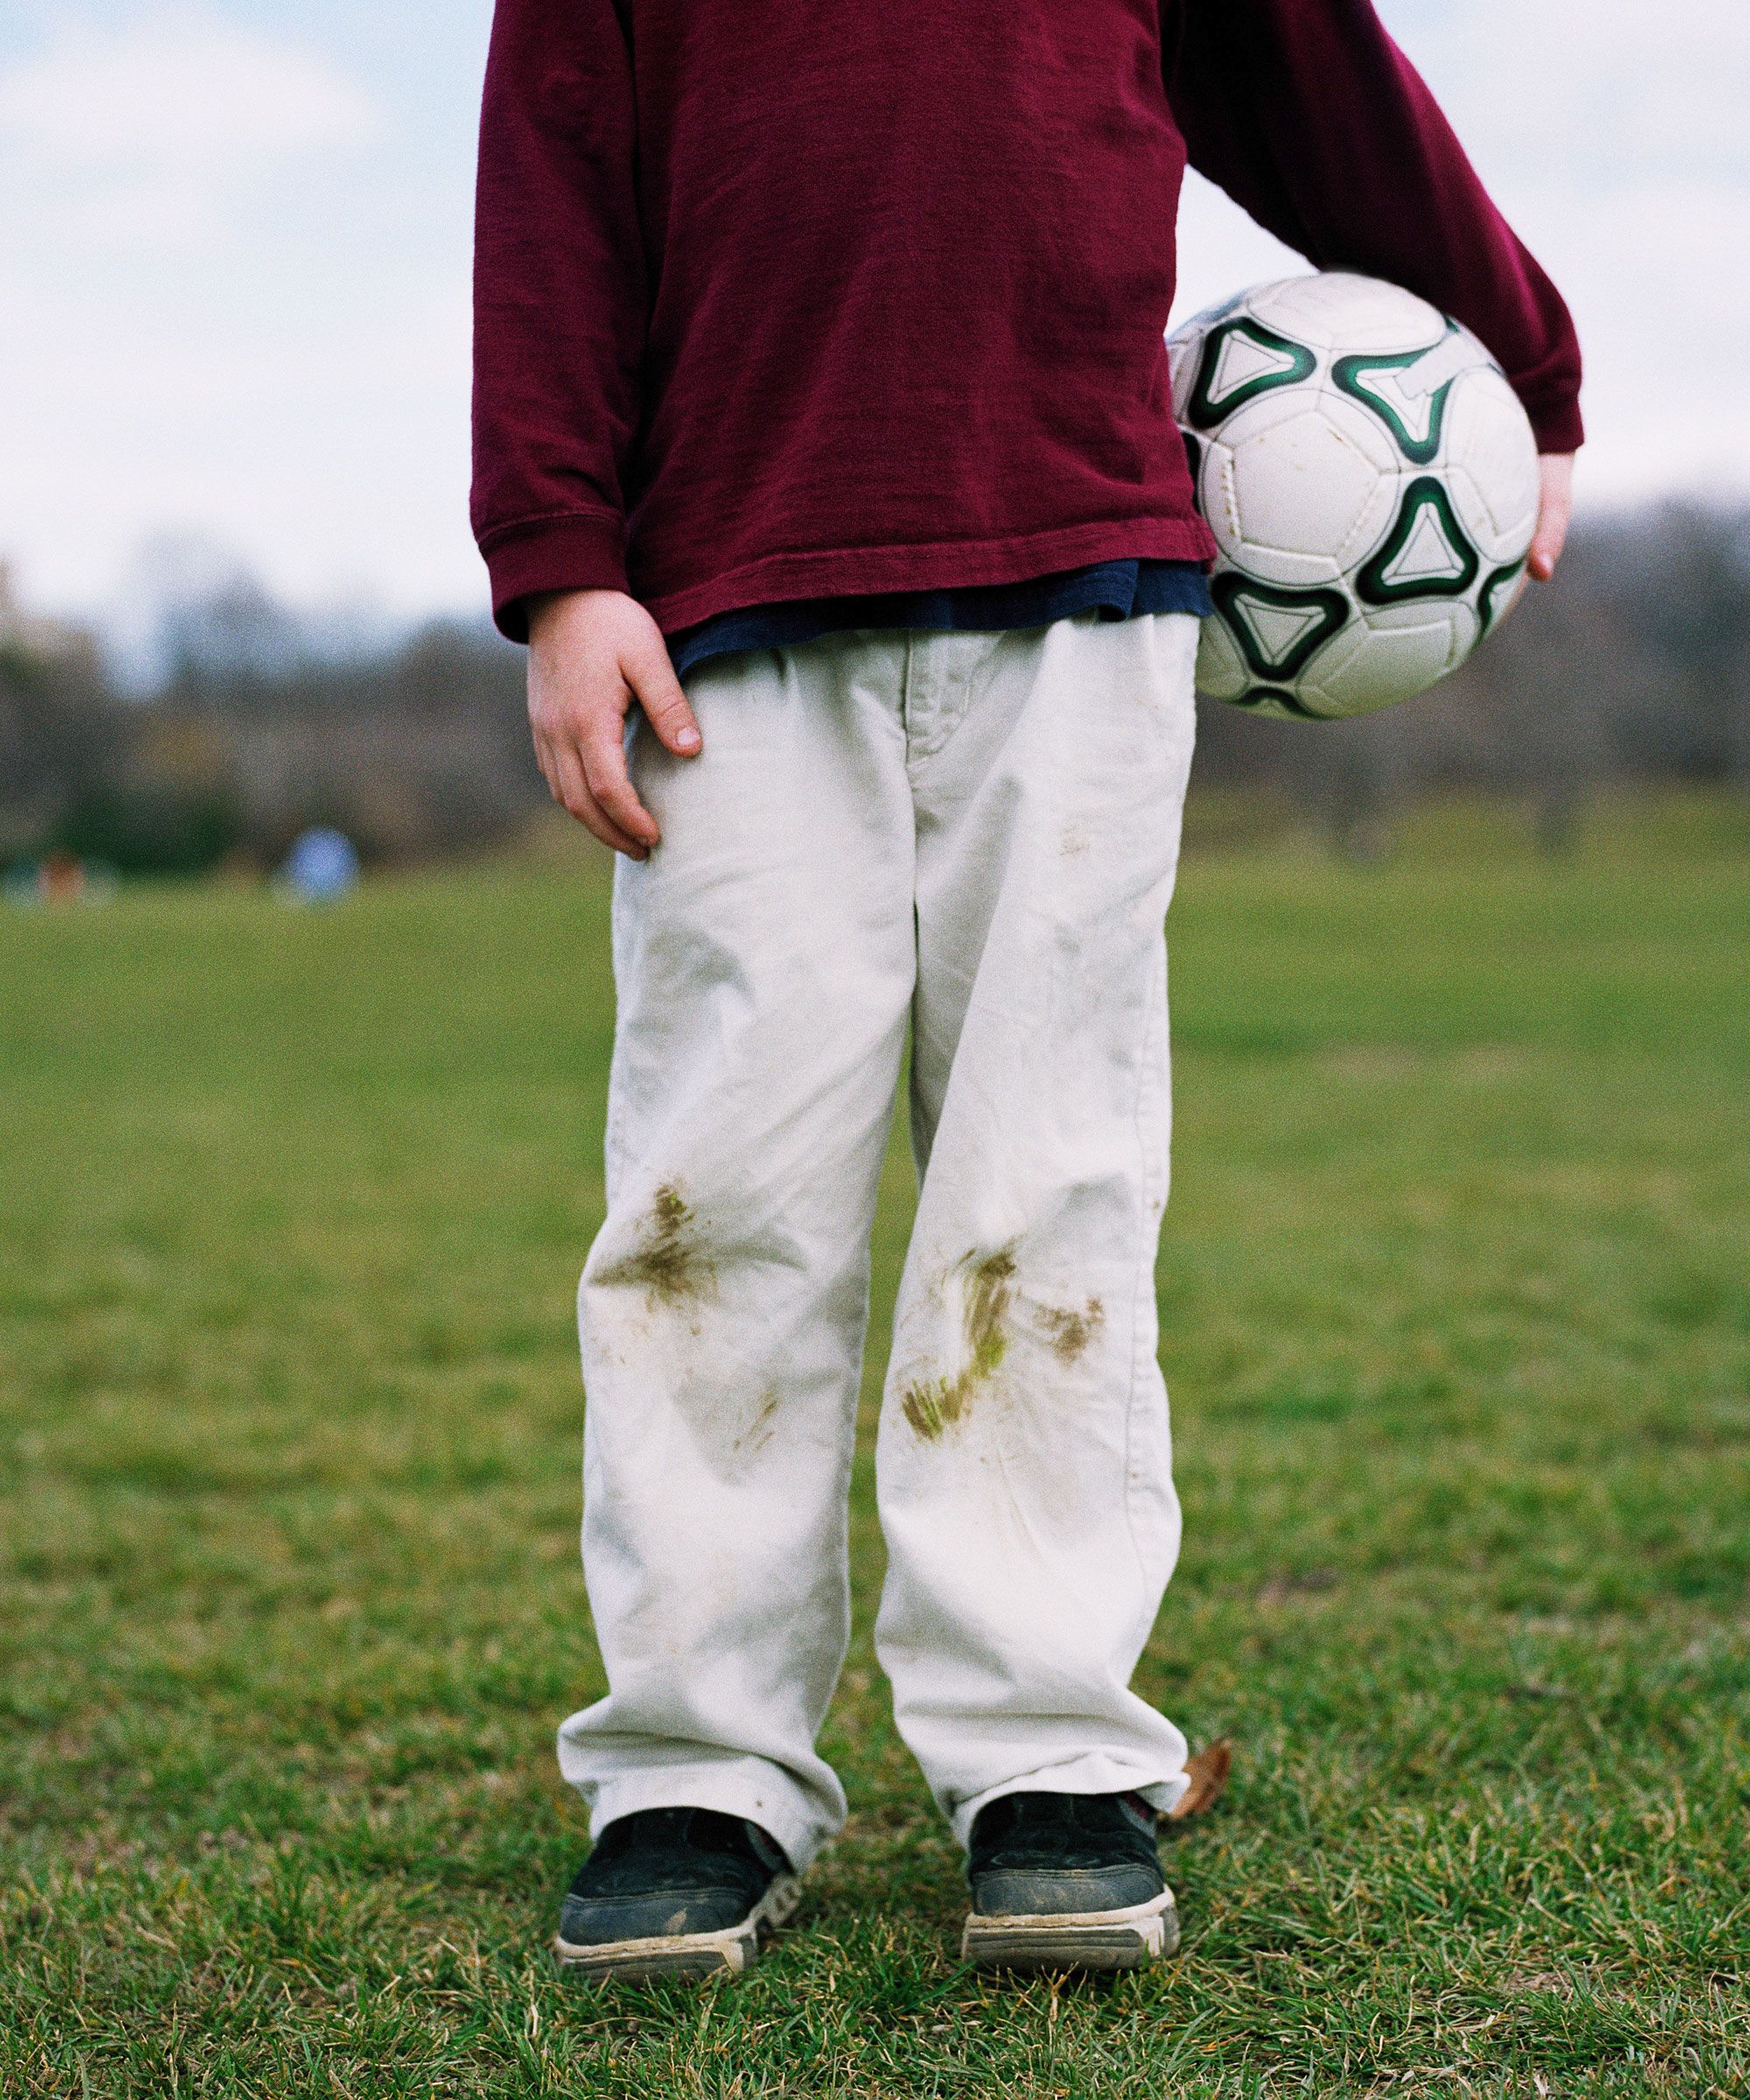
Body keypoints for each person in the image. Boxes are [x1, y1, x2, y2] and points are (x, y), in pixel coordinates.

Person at [471, 0, 1580, 1980]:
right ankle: (692, 1774)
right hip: (720, 605)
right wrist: (559, 558)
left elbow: (1318, 81)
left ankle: (1048, 1758)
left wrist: (1530, 364)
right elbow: (549, 185)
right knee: (710, 1203)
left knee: (1043, 1181)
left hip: (1081, 584)